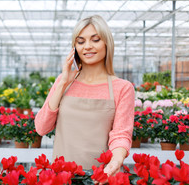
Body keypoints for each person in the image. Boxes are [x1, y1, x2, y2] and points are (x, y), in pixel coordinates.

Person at [34, 15, 134, 176]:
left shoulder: (122, 88)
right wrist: (63, 83)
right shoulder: (64, 82)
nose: (87, 46)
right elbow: (41, 127)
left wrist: (116, 162)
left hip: (102, 177)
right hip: (62, 178)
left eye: (95, 40)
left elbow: (121, 134)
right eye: (81, 42)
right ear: (74, 48)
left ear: (107, 43)